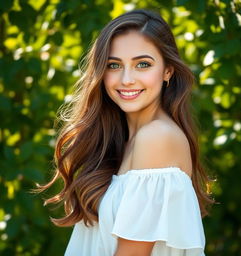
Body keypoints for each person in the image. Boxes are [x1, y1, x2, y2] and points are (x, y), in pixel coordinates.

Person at [37, 9, 214, 256]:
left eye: (143, 64)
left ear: (167, 71)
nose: (127, 79)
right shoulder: (127, 139)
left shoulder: (158, 138)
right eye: (114, 65)